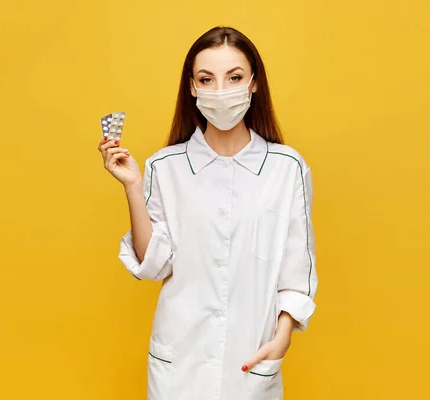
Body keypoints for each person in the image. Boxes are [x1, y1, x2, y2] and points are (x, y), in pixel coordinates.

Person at [97, 26, 318, 400]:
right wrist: (133, 185)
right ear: (192, 87)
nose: (221, 90)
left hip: (251, 363)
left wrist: (281, 340)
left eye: (234, 77)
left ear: (253, 84)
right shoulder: (163, 167)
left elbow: (297, 272)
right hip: (178, 365)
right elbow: (153, 265)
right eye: (206, 79)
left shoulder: (287, 168)